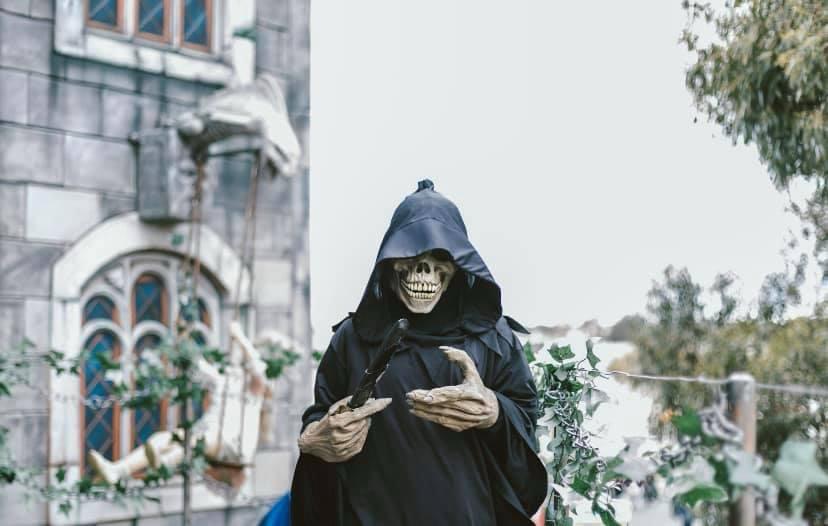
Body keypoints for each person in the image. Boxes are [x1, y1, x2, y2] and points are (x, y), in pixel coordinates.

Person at [290, 180, 547, 525]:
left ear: (457, 264)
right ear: (390, 261)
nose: (423, 271)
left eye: (438, 259)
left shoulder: (492, 337)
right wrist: (316, 438)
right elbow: (322, 413)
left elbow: (526, 418)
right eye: (410, 256)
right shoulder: (354, 338)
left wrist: (495, 412)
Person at [88, 321, 269, 483]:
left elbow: (260, 370)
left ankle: (164, 464)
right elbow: (198, 365)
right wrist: (184, 340)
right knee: (168, 437)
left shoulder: (253, 392)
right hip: (211, 437)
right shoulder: (222, 382)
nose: (236, 366)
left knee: (193, 441)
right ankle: (118, 470)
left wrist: (239, 337)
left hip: (233, 445)